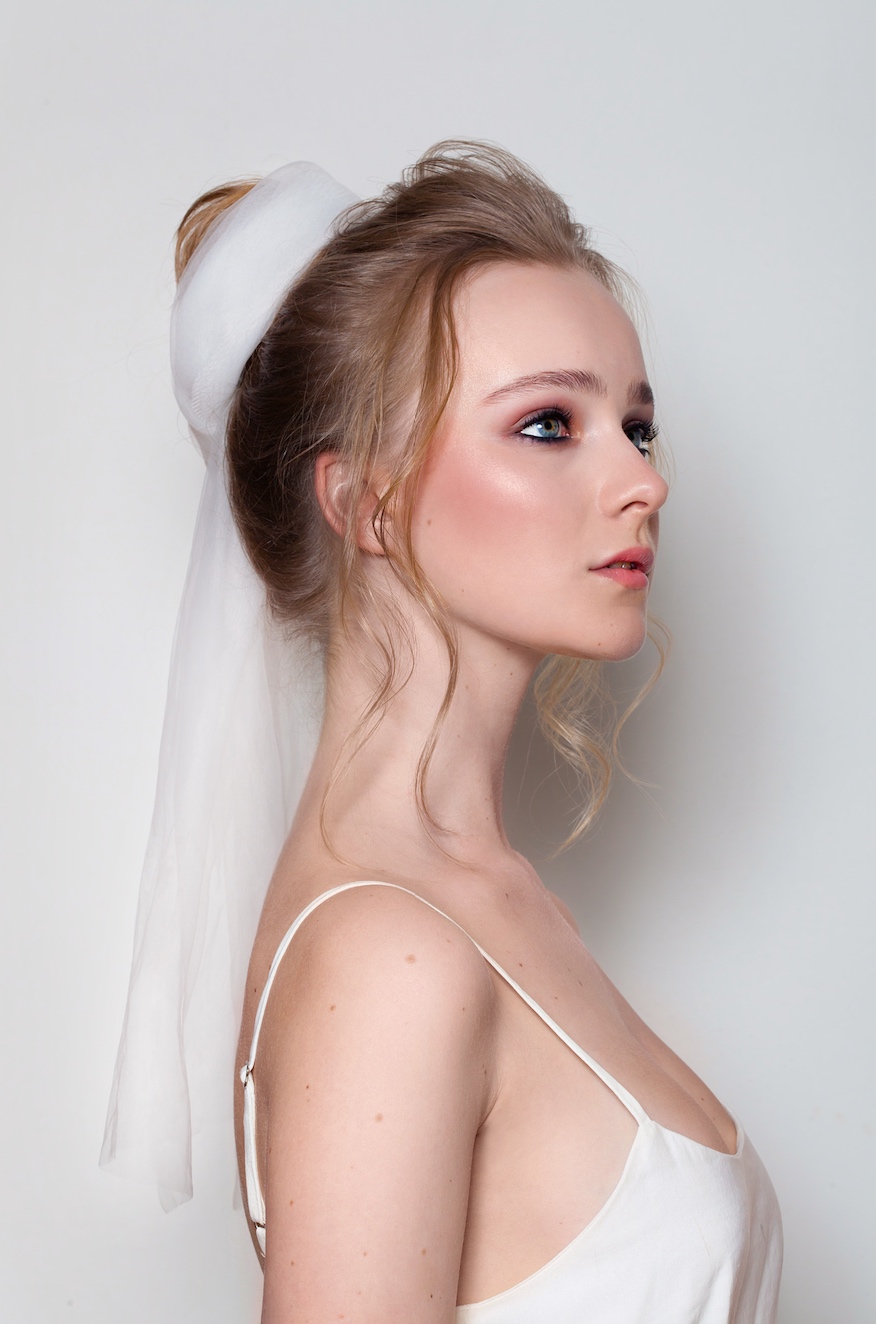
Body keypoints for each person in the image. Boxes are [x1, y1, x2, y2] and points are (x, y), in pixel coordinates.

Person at [103, 142, 782, 1321]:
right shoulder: (391, 953)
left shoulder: (493, 899)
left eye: (636, 426)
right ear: (367, 503)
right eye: (549, 424)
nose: (644, 481)